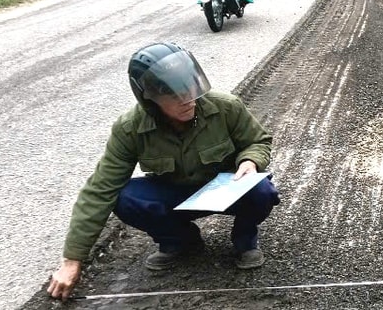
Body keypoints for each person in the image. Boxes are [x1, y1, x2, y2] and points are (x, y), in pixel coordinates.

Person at [46, 43, 280, 301]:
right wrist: (72, 260)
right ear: (150, 99)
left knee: (262, 190)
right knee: (124, 197)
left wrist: (250, 161)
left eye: (190, 88)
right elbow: (99, 190)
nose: (187, 99)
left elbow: (257, 141)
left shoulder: (225, 106)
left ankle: (245, 238)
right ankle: (181, 241)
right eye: (174, 95)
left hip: (226, 188)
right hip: (175, 194)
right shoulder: (130, 128)